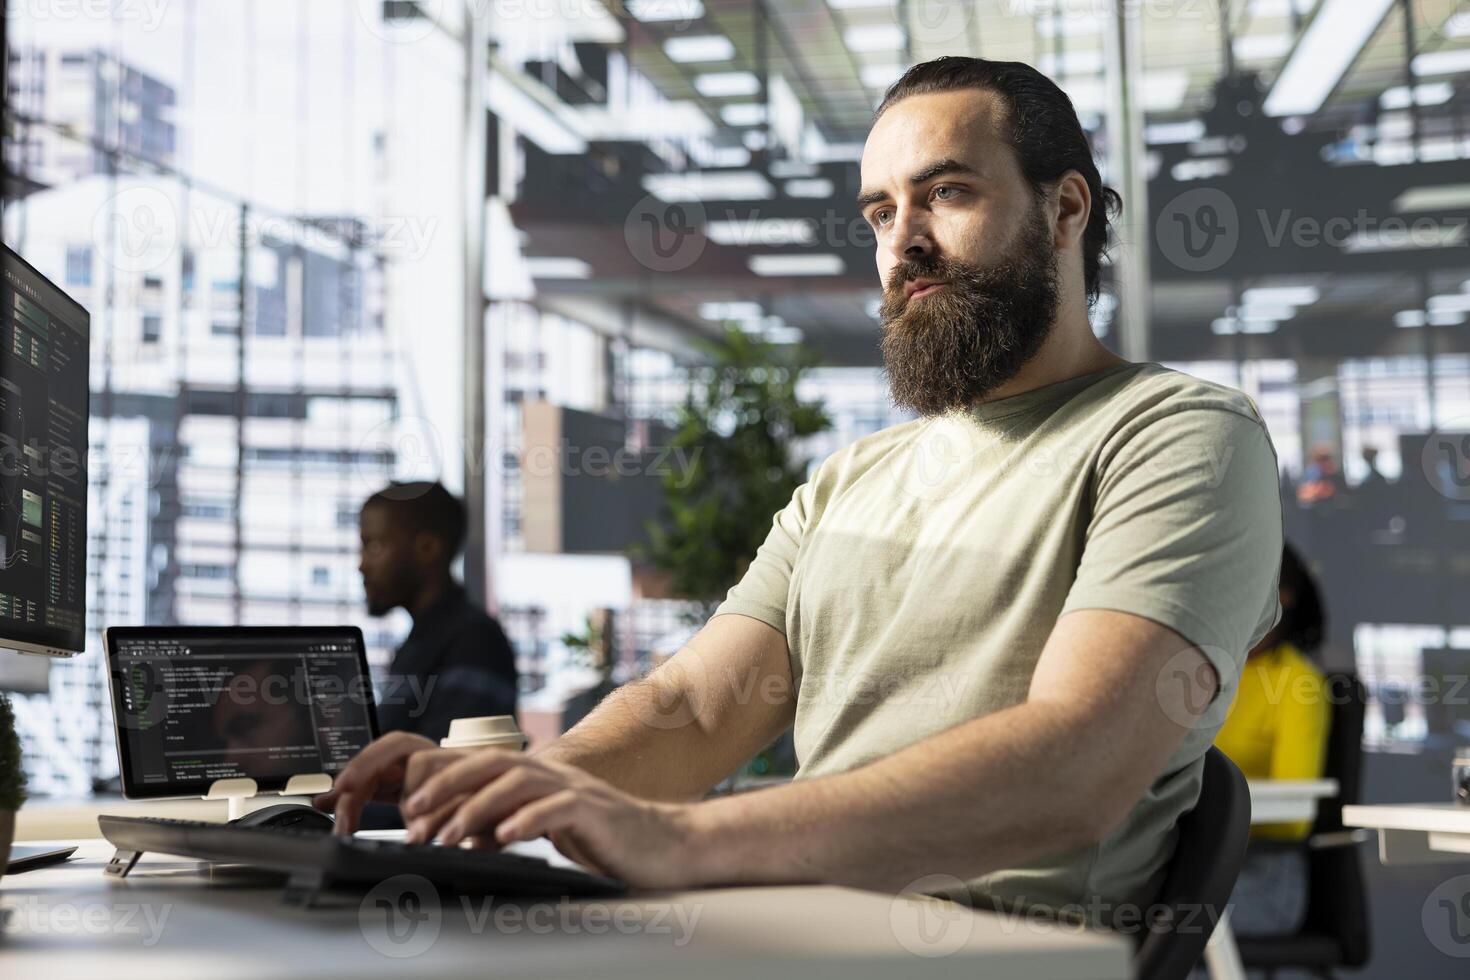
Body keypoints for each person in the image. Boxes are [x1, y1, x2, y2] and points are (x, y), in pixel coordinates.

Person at [319, 57, 1283, 930]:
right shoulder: (851, 480)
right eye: (879, 213)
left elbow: (1078, 761)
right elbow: (697, 708)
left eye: (946, 193)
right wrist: (523, 785)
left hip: (996, 942)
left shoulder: (1176, 437)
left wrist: (683, 840)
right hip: (797, 926)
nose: (903, 241)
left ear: (1066, 211)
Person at [1215, 542, 1330, 936]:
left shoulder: (1298, 684)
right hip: (1189, 869)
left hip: (1262, 878)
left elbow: (1293, 817)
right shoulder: (1199, 669)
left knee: (1136, 929)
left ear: (1282, 597)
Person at [358, 481, 517, 744]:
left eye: (374, 546)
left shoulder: (474, 641)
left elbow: (448, 767)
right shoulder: (422, 644)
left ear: (428, 548)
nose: (362, 565)